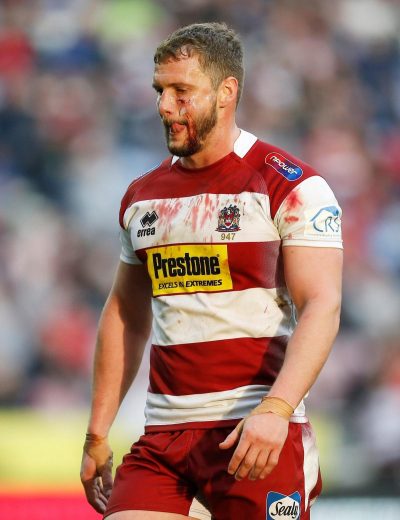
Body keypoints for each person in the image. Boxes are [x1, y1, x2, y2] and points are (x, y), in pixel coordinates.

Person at [80, 22, 343, 520]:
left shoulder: (290, 186)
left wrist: (277, 409)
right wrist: (97, 432)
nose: (165, 106)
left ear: (227, 92)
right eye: (160, 91)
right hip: (164, 439)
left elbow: (322, 305)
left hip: (253, 432)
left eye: (182, 91)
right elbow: (126, 314)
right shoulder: (142, 196)